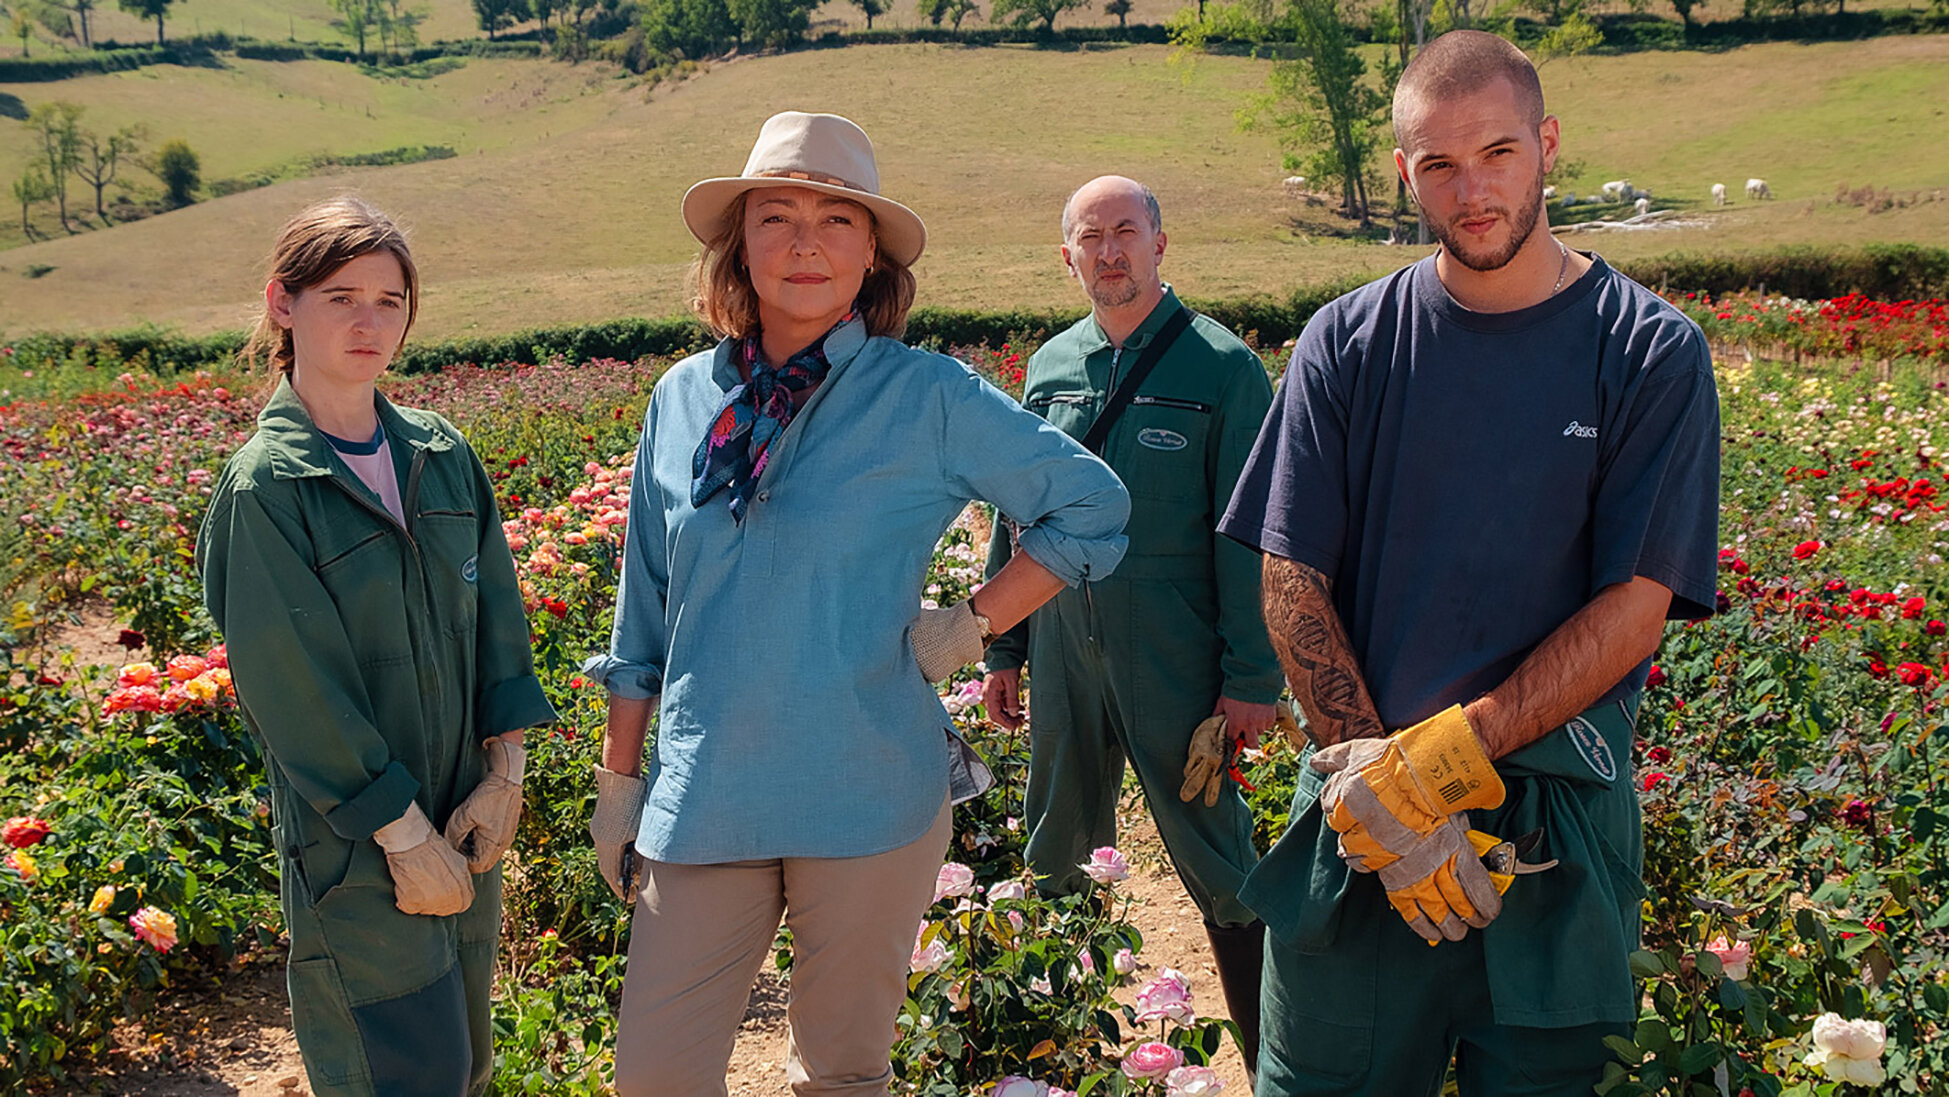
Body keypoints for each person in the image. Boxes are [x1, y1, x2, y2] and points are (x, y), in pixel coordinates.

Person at [580, 111, 1130, 1097]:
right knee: (652, 1078)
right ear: (736, 245)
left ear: (870, 252)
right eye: (774, 216)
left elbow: (1091, 504)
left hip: (867, 788)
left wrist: (969, 623)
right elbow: (643, 612)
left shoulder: (922, 394)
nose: (803, 241)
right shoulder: (679, 399)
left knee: (839, 1075)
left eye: (836, 219)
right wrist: (618, 783)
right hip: (706, 792)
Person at [1217, 31, 1722, 1095]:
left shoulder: (1646, 351)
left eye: (1495, 152)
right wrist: (1379, 792)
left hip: (1552, 833)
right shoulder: (1345, 341)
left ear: (1544, 146)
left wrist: (1431, 769)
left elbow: (1633, 608)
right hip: (1357, 830)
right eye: (1437, 165)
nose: (1471, 188)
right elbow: (1289, 577)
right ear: (1406, 173)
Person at [198, 196, 557, 1097]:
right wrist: (398, 832)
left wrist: (503, 770)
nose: (369, 322)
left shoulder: (440, 454)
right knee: (398, 1071)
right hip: (356, 842)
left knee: (467, 1063)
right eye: (340, 297)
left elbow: (498, 623)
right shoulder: (268, 489)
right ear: (284, 304)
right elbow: (294, 686)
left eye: (389, 301)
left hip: (464, 812)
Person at [980, 175, 1285, 1074]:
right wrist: (1003, 646)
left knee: (1217, 855)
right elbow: (1015, 511)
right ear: (1065, 255)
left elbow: (1250, 534)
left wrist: (1248, 677)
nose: (1109, 251)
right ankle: (1054, 1062)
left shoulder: (1221, 368)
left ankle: (1279, 1060)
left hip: (1175, 648)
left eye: (1125, 231)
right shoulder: (1050, 368)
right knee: (1053, 846)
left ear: (1160, 242)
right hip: (1062, 644)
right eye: (1090, 236)